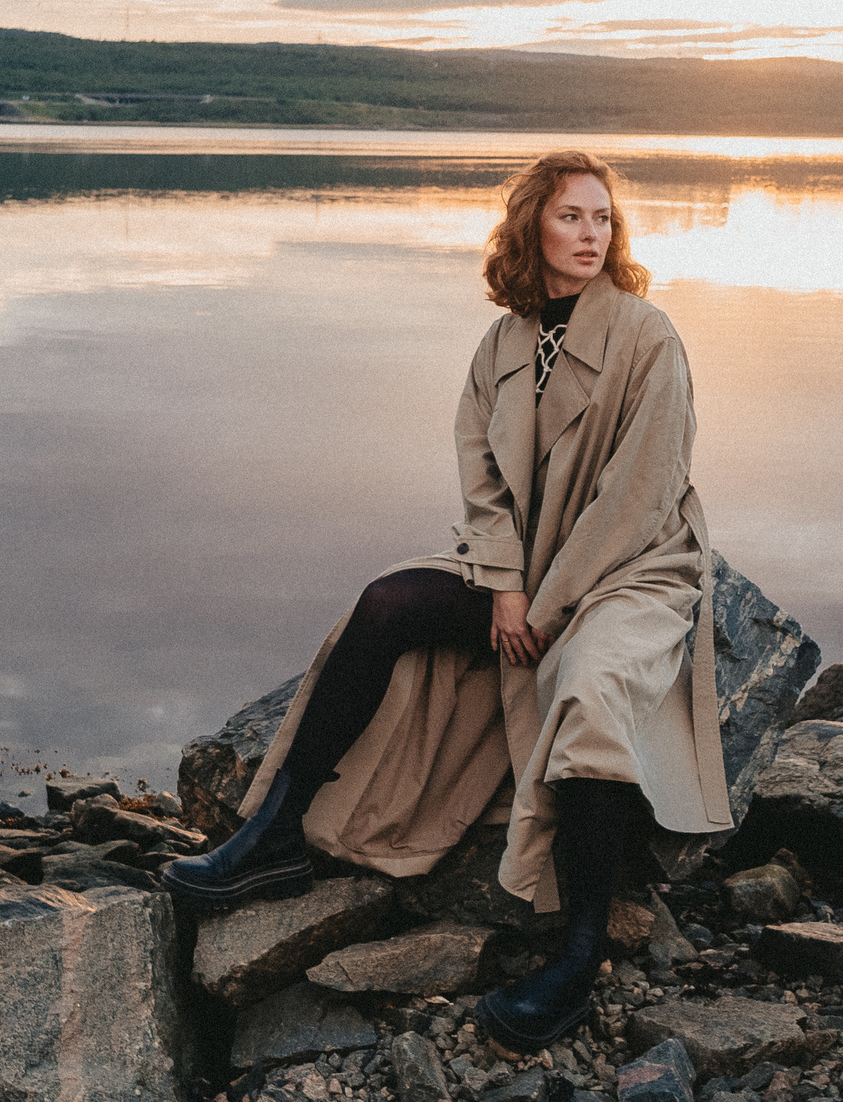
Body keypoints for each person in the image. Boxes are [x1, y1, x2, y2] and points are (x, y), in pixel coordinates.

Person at [163, 149, 731, 1052]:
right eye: (572, 216)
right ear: (530, 229)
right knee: (389, 602)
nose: (592, 234)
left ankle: (578, 958)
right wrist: (503, 583)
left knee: (589, 689)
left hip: (628, 569)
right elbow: (482, 484)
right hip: (524, 567)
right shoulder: (503, 345)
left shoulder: (648, 337)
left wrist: (544, 605)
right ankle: (273, 833)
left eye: (603, 218)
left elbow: (642, 491)